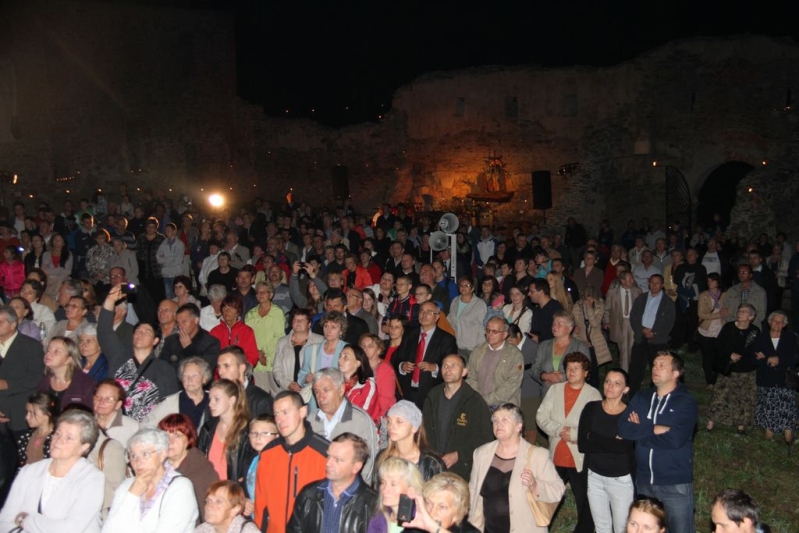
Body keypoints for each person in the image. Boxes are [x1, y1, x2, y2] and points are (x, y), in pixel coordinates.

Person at [618, 352, 698, 533]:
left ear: (675, 373)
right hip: (644, 481)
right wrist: (654, 429)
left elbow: (676, 439)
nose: (655, 368)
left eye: (662, 365)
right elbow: (623, 428)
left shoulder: (686, 402)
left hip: (674, 483)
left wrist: (640, 432)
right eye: (654, 364)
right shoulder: (642, 397)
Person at [0, 410, 105, 532]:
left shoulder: (92, 478)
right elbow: (4, 521)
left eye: (69, 438)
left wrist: (25, 520)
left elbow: (69, 529)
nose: (58, 440)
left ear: (84, 447)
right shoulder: (29, 471)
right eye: (57, 433)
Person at [469, 403, 565, 532]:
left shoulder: (537, 456)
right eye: (495, 420)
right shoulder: (481, 454)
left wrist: (536, 486)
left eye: (504, 420)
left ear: (519, 426)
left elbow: (558, 490)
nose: (498, 424)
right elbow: (473, 492)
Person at [536, 352, 601, 533]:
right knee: (546, 500)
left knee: (585, 503)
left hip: (579, 459)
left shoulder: (593, 395)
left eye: (576, 368)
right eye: (569, 368)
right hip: (556, 456)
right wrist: (558, 430)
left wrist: (573, 434)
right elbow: (541, 416)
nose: (571, 371)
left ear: (586, 372)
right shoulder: (555, 390)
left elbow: (597, 428)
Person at [98, 284, 178, 422]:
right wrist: (110, 300)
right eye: (138, 331)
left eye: (146, 332)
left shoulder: (164, 369)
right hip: (113, 423)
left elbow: (170, 406)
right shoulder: (119, 356)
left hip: (147, 427)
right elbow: (104, 331)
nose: (140, 334)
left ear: (155, 340)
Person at [254, 391, 329, 533]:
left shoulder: (325, 453)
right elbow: (260, 505)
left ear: (302, 412)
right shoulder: (268, 454)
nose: (280, 420)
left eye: (285, 412)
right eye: (276, 414)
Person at [103, 428, 199, 532]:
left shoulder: (180, 488)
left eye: (145, 454)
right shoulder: (127, 486)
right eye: (133, 456)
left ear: (162, 454)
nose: (138, 462)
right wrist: (132, 495)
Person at [577, 368, 635, 533]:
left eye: (617, 383)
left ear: (625, 389)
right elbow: (583, 445)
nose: (610, 386)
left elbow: (624, 447)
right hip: (594, 477)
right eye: (608, 381)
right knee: (601, 527)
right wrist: (613, 442)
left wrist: (594, 437)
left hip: (621, 480)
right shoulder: (591, 408)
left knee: (621, 528)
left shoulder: (630, 414)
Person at [287, 432, 379, 533]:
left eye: (337, 460)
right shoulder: (308, 494)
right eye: (328, 456)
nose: (328, 463)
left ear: (356, 467)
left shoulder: (373, 504)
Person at [422, 354, 493, 480]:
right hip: (433, 465)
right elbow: (424, 430)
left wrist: (458, 455)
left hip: (461, 468)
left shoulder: (474, 401)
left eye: (453, 366)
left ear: (464, 372)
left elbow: (485, 437)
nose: (448, 369)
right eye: (445, 366)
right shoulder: (432, 396)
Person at [706, 304, 760, 435]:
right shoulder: (728, 327)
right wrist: (730, 354)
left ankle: (741, 428)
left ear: (751, 317)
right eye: (739, 311)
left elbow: (755, 350)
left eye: (744, 312)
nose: (740, 313)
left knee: (743, 398)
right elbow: (719, 345)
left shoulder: (755, 331)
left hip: (746, 370)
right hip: (729, 368)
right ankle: (710, 425)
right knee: (720, 396)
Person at [395, 301, 458, 408]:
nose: (424, 315)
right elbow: (397, 358)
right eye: (421, 311)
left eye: (429, 312)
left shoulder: (447, 339)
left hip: (431, 393)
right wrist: (402, 366)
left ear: (437, 317)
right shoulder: (409, 334)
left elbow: (453, 368)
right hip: (407, 391)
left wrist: (435, 367)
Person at [157, 413, 219, 521]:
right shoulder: (155, 467)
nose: (170, 442)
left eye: (177, 436)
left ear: (188, 439)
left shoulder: (202, 470)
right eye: (165, 436)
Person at [197, 379, 255, 489]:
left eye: (216, 399)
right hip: (210, 490)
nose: (210, 404)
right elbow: (199, 462)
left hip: (234, 492)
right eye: (210, 399)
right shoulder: (208, 429)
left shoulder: (247, 431)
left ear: (231, 400)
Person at [0, 305, 45, 438]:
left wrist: (7, 384)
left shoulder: (31, 346)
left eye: (1, 322)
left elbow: (36, 378)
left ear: (13, 325)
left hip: (19, 414)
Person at [754, 310, 797, 446]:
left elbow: (795, 357)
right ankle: (769, 437)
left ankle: (788, 437)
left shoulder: (790, 337)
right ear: (769, 322)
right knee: (769, 406)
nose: (777, 324)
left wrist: (779, 360)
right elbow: (754, 358)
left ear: (784, 325)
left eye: (780, 322)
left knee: (787, 407)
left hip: (785, 378)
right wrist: (767, 360)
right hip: (766, 378)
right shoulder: (761, 337)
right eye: (775, 321)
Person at [628, 275, 675, 397]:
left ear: (662, 285)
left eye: (657, 283)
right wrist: (642, 330)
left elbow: (669, 323)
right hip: (641, 338)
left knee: (658, 369)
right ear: (649, 284)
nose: (654, 286)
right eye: (652, 283)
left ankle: (655, 396)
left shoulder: (668, 302)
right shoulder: (641, 298)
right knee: (636, 368)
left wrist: (655, 332)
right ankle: (631, 395)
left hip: (658, 341)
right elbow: (633, 317)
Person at [465, 317, 524, 408]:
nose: (490, 334)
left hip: (504, 407)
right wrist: (477, 398)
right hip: (479, 403)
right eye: (488, 330)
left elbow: (512, 384)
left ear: (504, 334)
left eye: (494, 331)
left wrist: (486, 400)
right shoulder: (478, 350)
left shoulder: (514, 355)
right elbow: (470, 375)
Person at [532, 310, 591, 399]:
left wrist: (562, 377)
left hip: (572, 395)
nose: (554, 327)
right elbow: (534, 368)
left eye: (559, 324)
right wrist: (545, 376)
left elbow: (585, 370)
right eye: (553, 323)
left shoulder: (580, 347)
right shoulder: (543, 345)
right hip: (548, 396)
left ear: (570, 328)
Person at [142, 356, 211, 431]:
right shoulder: (170, 402)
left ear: (205, 378)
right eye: (185, 375)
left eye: (195, 376)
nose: (189, 379)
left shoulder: (212, 399)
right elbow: (147, 424)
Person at [399, 472, 480, 533]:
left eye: (442, 507)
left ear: (458, 514)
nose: (432, 513)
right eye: (428, 503)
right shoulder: (414, 529)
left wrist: (434, 528)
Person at [298, 310, 348, 409]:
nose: (328, 330)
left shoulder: (348, 350)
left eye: (333, 327)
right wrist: (306, 378)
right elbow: (301, 375)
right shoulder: (311, 350)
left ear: (341, 330)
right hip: (315, 402)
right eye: (326, 326)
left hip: (338, 400)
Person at [245, 281, 286, 394]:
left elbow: (279, 336)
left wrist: (263, 353)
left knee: (275, 395)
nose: (260, 294)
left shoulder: (277, 312)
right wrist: (256, 353)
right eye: (258, 292)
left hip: (272, 359)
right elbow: (248, 337)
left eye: (264, 292)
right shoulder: (250, 314)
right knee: (258, 395)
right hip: (255, 361)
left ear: (271, 295)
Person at [366, 456, 424, 533]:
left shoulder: (420, 523)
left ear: (411, 490)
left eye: (393, 484)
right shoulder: (377, 519)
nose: (385, 489)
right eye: (383, 483)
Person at [37, 336, 95, 409]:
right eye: (48, 350)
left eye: (56, 351)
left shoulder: (85, 384)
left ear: (68, 359)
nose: (48, 354)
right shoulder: (43, 382)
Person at [272, 309, 324, 392]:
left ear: (309, 324)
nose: (298, 322)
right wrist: (287, 384)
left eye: (302, 320)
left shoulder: (320, 341)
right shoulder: (282, 342)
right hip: (288, 390)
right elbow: (276, 369)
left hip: (311, 390)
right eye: (295, 320)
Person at [571, 285, 612, 387]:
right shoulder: (577, 306)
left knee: (594, 371)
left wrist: (589, 308)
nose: (588, 301)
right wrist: (582, 340)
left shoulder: (599, 305)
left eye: (590, 298)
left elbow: (595, 323)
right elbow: (573, 327)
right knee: (583, 369)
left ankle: (595, 390)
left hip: (596, 342)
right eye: (586, 298)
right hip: (582, 340)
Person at [216, 345, 273, 417]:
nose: (220, 372)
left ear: (241, 368)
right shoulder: (217, 398)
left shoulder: (261, 401)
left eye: (226, 366)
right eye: (219, 367)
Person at [210, 296, 259, 368]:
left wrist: (239, 368)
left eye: (231, 308)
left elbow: (252, 356)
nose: (227, 311)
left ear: (238, 312)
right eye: (225, 308)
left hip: (240, 371)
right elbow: (211, 355)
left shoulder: (247, 331)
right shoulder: (215, 332)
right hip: (220, 371)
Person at [195, 480, 260, 533]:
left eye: (218, 502)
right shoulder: (202, 530)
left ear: (235, 509)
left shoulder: (248, 531)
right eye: (208, 501)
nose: (209, 507)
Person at [696, 272, 726, 388]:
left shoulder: (724, 295)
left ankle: (718, 378)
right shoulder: (703, 295)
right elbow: (701, 314)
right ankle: (710, 381)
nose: (710, 283)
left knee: (718, 355)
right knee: (707, 356)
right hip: (706, 329)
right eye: (708, 281)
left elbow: (728, 310)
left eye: (712, 281)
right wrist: (718, 315)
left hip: (720, 329)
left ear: (718, 282)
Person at [447, 275, 488, 360]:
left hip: (472, 347)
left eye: (467, 285)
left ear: (472, 288)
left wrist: (480, 348)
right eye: (461, 285)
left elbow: (482, 327)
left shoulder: (479, 304)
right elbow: (450, 320)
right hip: (456, 345)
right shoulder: (455, 301)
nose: (463, 288)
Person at [15, 391, 58, 468]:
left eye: (32, 413)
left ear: (47, 415)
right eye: (27, 412)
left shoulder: (56, 440)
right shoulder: (26, 437)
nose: (27, 417)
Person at [359, 333, 398, 419]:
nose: (365, 349)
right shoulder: (357, 366)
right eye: (363, 346)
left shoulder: (385, 369)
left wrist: (378, 420)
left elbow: (386, 400)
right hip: (361, 413)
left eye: (370, 346)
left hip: (379, 416)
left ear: (379, 351)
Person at [244, 414, 279, 509]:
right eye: (254, 433)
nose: (258, 437)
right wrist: (244, 500)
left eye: (265, 433)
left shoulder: (279, 463)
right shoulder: (249, 461)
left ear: (277, 436)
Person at [92, 378, 140, 447]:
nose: (101, 401)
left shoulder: (132, 427)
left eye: (108, 399)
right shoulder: (84, 420)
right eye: (98, 397)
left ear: (118, 405)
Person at [339, 343, 380, 422]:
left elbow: (363, 416)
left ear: (357, 363)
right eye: (340, 356)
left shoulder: (368, 386)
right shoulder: (336, 382)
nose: (340, 360)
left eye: (346, 357)